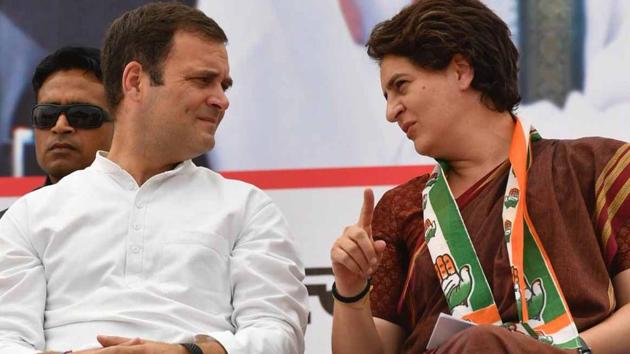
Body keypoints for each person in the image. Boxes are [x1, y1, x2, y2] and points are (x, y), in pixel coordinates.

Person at [0, 3, 308, 354]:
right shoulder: (30, 215)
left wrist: (184, 353)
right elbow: (7, 338)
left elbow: (280, 336)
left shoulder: (248, 207)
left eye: (224, 85)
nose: (222, 100)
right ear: (135, 82)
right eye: (203, 80)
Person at [330, 1, 630, 353]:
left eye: (401, 85)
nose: (390, 111)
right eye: (386, 95)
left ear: (461, 70)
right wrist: (351, 290)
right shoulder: (400, 209)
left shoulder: (597, 167)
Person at [0, 46, 114, 219]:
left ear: (122, 123)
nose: (60, 126)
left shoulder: (149, 220)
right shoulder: (9, 227)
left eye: (81, 114)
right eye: (46, 115)